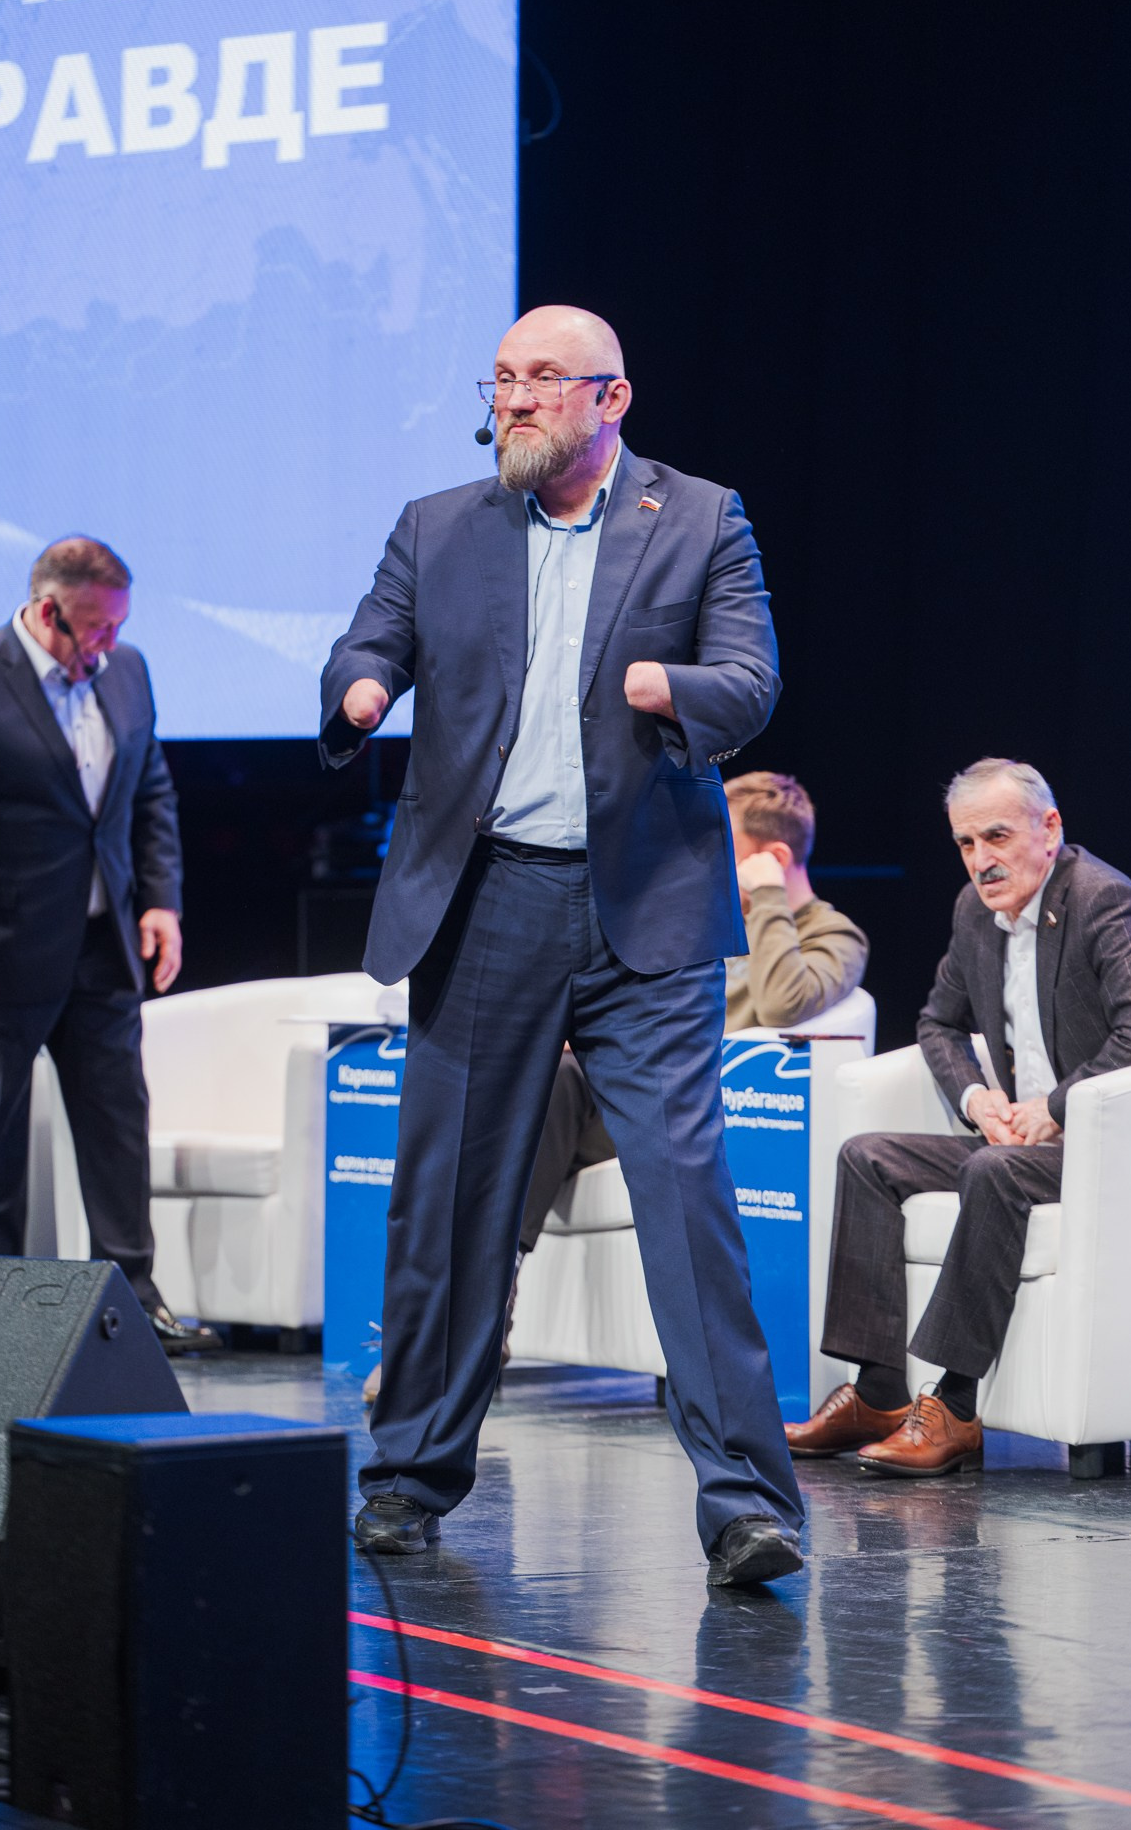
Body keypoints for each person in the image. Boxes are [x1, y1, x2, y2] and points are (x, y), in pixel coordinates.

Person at [321, 304, 805, 1587]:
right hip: (486, 903)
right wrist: (360, 687)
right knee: (450, 1202)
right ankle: (408, 1475)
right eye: (501, 378)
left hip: (643, 908)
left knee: (686, 1199)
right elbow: (369, 638)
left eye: (542, 378)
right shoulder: (438, 525)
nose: (515, 398)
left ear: (610, 398)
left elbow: (749, 681)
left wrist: (669, 688)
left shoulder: (698, 519)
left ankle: (745, 1507)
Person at [786, 757, 1131, 1476]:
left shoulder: (1100, 898)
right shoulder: (975, 912)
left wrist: (1053, 1108)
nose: (980, 860)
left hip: (1104, 1147)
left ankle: (955, 1407)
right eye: (965, 844)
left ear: (1048, 829)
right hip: (1020, 1144)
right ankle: (878, 1392)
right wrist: (976, 1099)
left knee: (992, 1170)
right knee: (867, 1157)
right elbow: (937, 1023)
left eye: (996, 837)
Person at [0, 536, 216, 1353]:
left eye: (119, 625)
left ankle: (134, 1297)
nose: (110, 643)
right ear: (49, 612)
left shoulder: (127, 671)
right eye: (97, 627)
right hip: (0, 954)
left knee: (118, 1123)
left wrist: (161, 902)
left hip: (101, 945)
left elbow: (150, 788)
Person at [511, 769, 870, 1290]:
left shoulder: (834, 935)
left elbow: (783, 1002)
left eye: (725, 848)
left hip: (715, 1113)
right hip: (646, 1091)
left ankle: (498, 1269)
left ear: (775, 858)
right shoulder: (708, 921)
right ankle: (497, 1276)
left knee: (556, 1090)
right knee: (548, 1073)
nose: (710, 863)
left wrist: (769, 897)